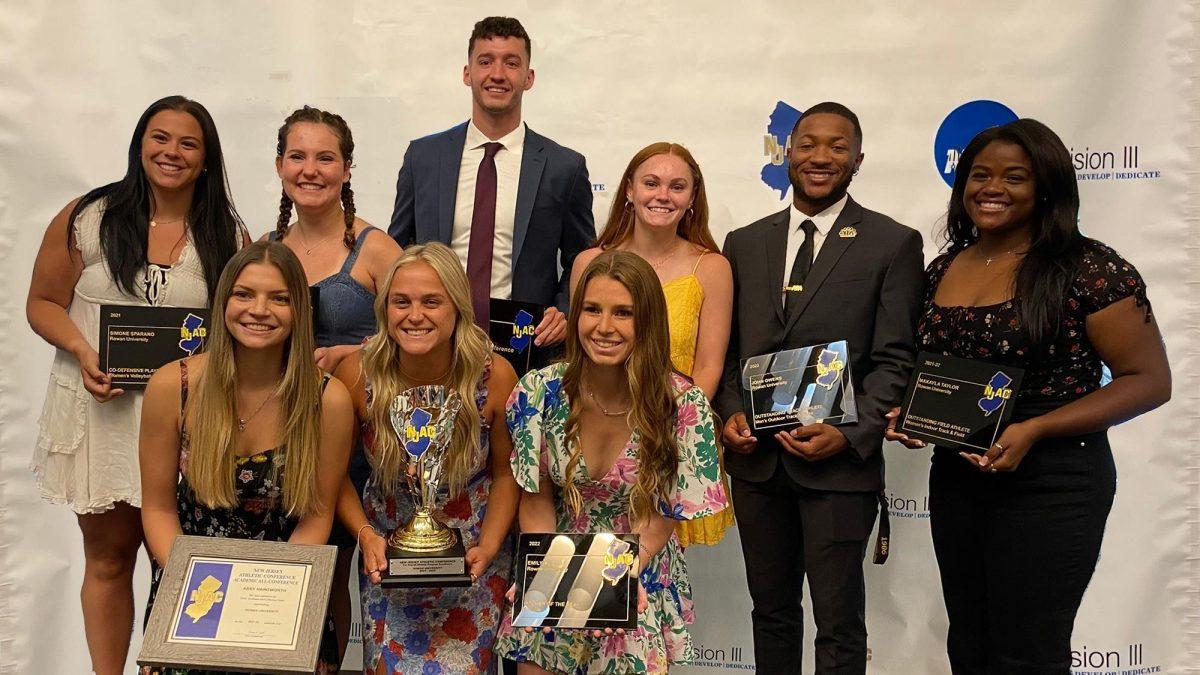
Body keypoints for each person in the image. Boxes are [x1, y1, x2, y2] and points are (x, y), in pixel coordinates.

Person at [885, 119, 1171, 674]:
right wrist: (914, 416)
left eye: (1014, 176)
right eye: (979, 175)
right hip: (960, 477)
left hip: (1054, 477)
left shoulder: (1089, 268)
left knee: (1028, 653)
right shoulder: (944, 267)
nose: (992, 188)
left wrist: (1034, 429)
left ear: (1047, 187)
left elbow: (1148, 380)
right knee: (970, 643)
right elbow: (943, 374)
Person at [26, 95, 247, 675]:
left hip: (189, 421)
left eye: (188, 143)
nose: (171, 152)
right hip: (101, 410)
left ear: (206, 159)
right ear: (140, 143)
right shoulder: (88, 217)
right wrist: (80, 348)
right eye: (160, 137)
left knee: (181, 558)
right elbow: (43, 303)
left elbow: (242, 327)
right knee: (107, 557)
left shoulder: (226, 232)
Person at [716, 102, 925, 673]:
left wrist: (851, 432)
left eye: (837, 146)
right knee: (771, 613)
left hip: (838, 467)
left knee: (838, 623)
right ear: (787, 152)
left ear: (858, 159)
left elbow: (895, 358)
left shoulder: (892, 243)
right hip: (758, 464)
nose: (820, 156)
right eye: (808, 143)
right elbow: (731, 351)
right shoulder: (743, 243)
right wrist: (731, 413)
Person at [496, 250, 728, 674]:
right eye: (591, 310)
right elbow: (535, 499)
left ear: (649, 321)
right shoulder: (538, 392)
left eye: (624, 313)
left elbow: (662, 514)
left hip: (636, 568)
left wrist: (616, 580)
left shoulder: (682, 405)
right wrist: (548, 575)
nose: (605, 327)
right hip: (556, 562)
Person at [139, 241, 353, 674]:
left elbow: (316, 516)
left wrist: (269, 597)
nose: (260, 310)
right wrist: (194, 584)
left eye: (280, 298)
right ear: (222, 302)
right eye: (244, 294)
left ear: (300, 313)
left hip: (285, 593)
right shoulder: (171, 386)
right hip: (192, 594)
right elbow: (158, 507)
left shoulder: (328, 399)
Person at [333, 242, 520, 674]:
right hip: (388, 557)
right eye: (402, 302)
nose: (414, 315)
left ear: (457, 306)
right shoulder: (358, 374)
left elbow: (508, 474)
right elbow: (334, 477)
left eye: (431, 302)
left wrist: (488, 546)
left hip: (474, 557)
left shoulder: (494, 375)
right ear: (385, 309)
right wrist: (364, 535)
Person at [266, 105, 403, 659]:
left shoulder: (376, 248)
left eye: (326, 158)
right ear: (279, 166)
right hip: (278, 429)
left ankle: (326, 665)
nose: (311, 169)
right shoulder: (266, 248)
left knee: (334, 564)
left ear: (347, 169)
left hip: (357, 442)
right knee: (283, 563)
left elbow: (429, 328)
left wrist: (358, 353)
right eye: (298, 156)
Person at [388, 16, 594, 340]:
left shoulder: (563, 167)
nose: (497, 74)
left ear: (529, 77)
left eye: (511, 63)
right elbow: (396, 250)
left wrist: (564, 310)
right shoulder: (423, 158)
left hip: (525, 347)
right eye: (485, 62)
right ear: (467, 73)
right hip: (433, 339)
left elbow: (583, 260)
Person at [570, 142, 734, 547]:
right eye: (651, 183)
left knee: (652, 563)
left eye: (677, 186)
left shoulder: (711, 267)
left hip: (668, 437)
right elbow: (579, 356)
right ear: (628, 190)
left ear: (693, 198)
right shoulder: (589, 262)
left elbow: (709, 366)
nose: (663, 195)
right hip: (596, 438)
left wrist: (668, 430)